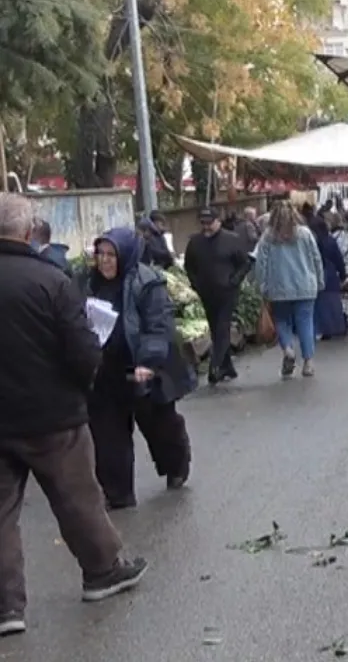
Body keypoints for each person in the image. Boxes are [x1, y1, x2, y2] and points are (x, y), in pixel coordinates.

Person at [0, 194, 148, 636]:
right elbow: (84, 351)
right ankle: (103, 571)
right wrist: (84, 384)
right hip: (54, 416)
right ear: (29, 233)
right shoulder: (52, 281)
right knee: (77, 497)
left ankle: (7, 606)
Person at [84, 228, 194, 509]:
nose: (105, 261)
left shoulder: (147, 282)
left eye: (112, 255)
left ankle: (176, 465)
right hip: (105, 373)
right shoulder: (87, 283)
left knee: (161, 427)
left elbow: (158, 326)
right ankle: (118, 493)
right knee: (108, 439)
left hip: (142, 369)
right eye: (101, 254)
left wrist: (148, 361)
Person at [183, 208, 253, 385]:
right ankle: (227, 367)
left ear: (218, 222)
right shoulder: (195, 242)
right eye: (203, 223)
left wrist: (234, 281)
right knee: (215, 329)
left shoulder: (231, 240)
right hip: (207, 293)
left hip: (227, 292)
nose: (206, 227)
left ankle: (214, 367)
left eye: (209, 223)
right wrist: (195, 284)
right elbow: (189, 266)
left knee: (222, 327)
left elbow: (245, 263)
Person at [253, 202, 323, 378]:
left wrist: (261, 285)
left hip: (278, 287)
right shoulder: (305, 233)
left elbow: (260, 263)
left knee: (282, 321)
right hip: (306, 286)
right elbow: (316, 258)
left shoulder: (268, 237)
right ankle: (308, 362)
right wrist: (320, 280)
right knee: (305, 323)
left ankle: (288, 350)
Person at [310, 213, 348, 340]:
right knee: (333, 302)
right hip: (331, 274)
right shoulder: (330, 241)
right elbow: (338, 259)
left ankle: (322, 328)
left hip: (315, 274)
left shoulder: (312, 242)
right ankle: (337, 327)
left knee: (320, 304)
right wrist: (343, 274)